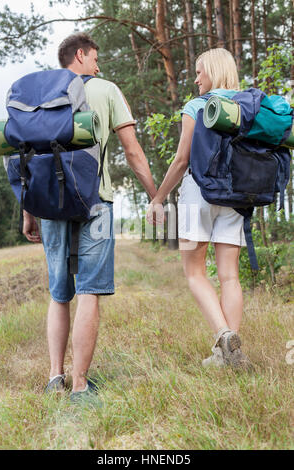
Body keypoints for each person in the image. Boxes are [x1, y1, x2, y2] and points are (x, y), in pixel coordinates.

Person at [23, 32, 157, 401]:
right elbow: (132, 151)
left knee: (59, 293)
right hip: (95, 201)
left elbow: (30, 158)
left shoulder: (42, 96)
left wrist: (29, 212)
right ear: (79, 55)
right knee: (89, 292)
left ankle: (55, 377)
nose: (99, 66)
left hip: (49, 203)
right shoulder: (107, 89)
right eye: (95, 58)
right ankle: (80, 385)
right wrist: (156, 196)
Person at [147, 48, 250, 368]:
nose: (195, 79)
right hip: (236, 197)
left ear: (214, 72)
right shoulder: (246, 107)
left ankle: (223, 334)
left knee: (194, 272)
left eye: (199, 72)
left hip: (198, 196)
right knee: (230, 276)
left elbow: (181, 160)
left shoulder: (196, 105)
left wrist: (159, 197)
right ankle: (227, 354)